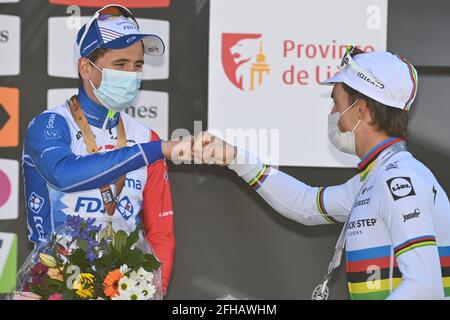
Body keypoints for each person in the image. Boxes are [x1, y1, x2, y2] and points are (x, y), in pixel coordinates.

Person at [194, 46, 450, 300]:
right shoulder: (375, 178)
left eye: (335, 103)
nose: (332, 114)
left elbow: (424, 289)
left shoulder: (398, 180)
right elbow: (304, 204)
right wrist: (236, 158)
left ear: (360, 109)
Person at [22, 4, 192, 295]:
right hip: (51, 287)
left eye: (138, 65)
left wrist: (155, 290)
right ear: (86, 68)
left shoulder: (144, 135)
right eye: (121, 64)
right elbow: (64, 174)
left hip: (121, 289)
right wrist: (152, 151)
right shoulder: (50, 125)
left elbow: (161, 232)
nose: (132, 74)